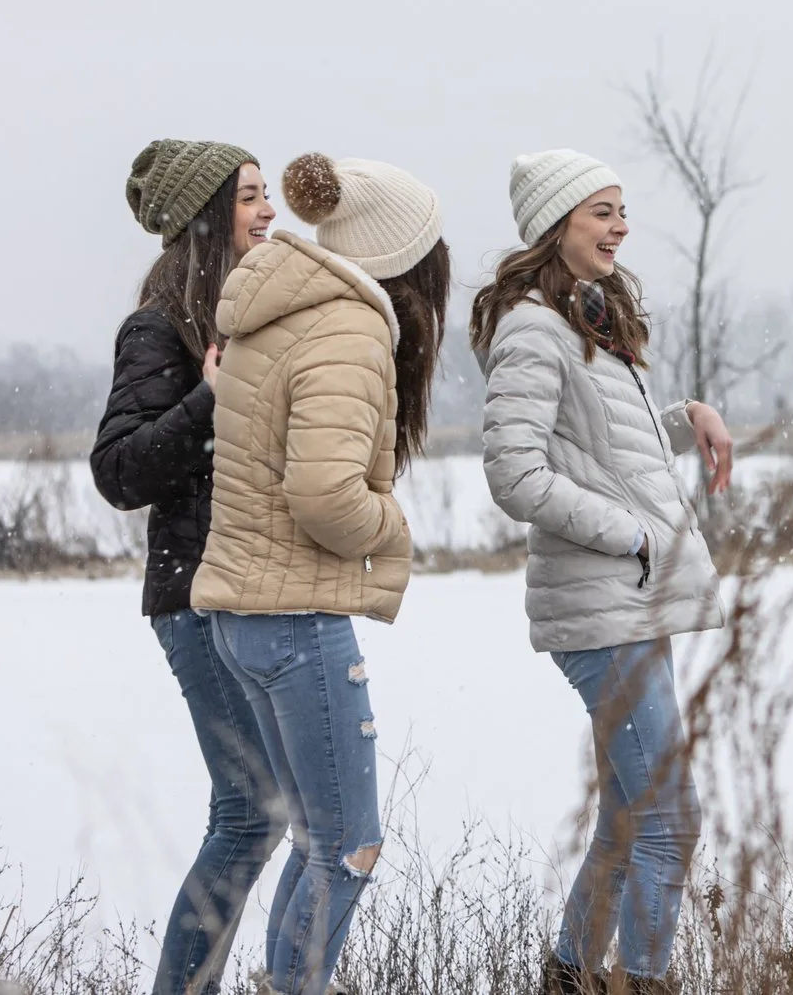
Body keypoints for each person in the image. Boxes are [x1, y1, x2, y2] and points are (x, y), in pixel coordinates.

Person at [472, 149, 735, 994]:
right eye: (602, 211)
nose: (621, 226)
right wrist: (630, 534)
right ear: (558, 225)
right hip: (602, 607)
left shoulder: (587, 320)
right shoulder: (532, 327)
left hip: (630, 601)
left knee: (629, 817)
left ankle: (568, 975)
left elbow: (594, 448)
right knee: (670, 819)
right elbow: (514, 474)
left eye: (622, 210)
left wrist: (684, 416)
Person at [190, 152, 448, 995]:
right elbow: (324, 490)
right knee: (350, 842)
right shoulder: (350, 325)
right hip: (294, 616)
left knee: (314, 836)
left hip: (248, 612)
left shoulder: (284, 306)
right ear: (404, 255)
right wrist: (393, 526)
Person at [91, 139, 285, 995]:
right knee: (251, 811)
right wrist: (209, 397)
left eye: (267, 191)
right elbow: (121, 469)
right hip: (194, 594)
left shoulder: (241, 312)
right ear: (209, 214)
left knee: (262, 812)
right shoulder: (159, 325)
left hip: (247, 587)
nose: (269, 209)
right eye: (250, 196)